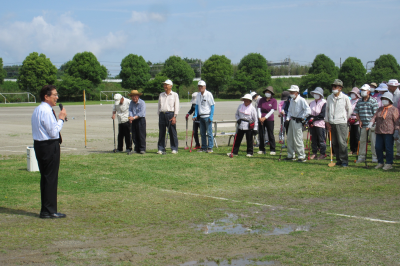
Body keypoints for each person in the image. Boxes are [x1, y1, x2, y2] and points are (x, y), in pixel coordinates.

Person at [31, 85, 67, 219]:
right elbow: (53, 132)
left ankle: (46, 209)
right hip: (49, 145)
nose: (57, 97)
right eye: (54, 95)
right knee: (50, 178)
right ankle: (50, 210)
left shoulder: (37, 110)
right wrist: (61, 119)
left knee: (46, 177)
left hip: (40, 145)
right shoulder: (46, 111)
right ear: (46, 97)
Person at [368, 92, 399, 170]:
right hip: (379, 131)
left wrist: (396, 131)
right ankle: (380, 162)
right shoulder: (380, 108)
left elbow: (396, 121)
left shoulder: (394, 109)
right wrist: (370, 124)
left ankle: (389, 163)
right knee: (378, 147)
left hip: (389, 131)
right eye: (383, 99)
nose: (384, 101)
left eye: (386, 99)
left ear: (390, 100)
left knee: (388, 148)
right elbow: (374, 117)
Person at [325, 79, 352, 167]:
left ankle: (344, 160)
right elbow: (327, 110)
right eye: (333, 86)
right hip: (332, 122)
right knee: (334, 142)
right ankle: (338, 160)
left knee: (342, 142)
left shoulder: (345, 98)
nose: (333, 88)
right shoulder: (329, 97)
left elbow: (349, 110)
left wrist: (344, 119)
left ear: (340, 88)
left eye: (335, 86)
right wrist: (327, 121)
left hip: (341, 122)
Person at [284, 85, 311, 162]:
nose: (290, 93)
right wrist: (287, 119)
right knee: (290, 138)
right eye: (290, 92)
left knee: (298, 139)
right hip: (292, 120)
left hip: (298, 121)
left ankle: (301, 156)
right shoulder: (291, 100)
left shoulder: (302, 100)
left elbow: (308, 111)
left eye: (292, 92)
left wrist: (302, 117)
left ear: (297, 92)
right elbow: (289, 111)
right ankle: (290, 155)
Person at [354, 84, 379, 163]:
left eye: (364, 90)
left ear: (368, 91)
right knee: (362, 141)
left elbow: (375, 114)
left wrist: (370, 124)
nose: (362, 92)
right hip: (362, 125)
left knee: (373, 142)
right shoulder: (359, 101)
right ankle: (361, 157)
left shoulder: (373, 101)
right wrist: (360, 120)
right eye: (362, 90)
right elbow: (356, 112)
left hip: (372, 125)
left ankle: (375, 157)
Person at [157, 79, 180, 154]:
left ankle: (174, 148)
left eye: (166, 85)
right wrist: (159, 114)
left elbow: (176, 106)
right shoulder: (161, 95)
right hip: (162, 114)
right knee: (161, 132)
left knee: (172, 132)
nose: (165, 86)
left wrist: (175, 116)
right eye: (164, 85)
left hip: (170, 114)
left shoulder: (175, 95)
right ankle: (161, 148)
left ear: (171, 86)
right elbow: (159, 105)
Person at [193, 80, 215, 153]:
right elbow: (196, 106)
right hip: (201, 117)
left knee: (209, 133)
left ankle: (210, 147)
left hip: (207, 116)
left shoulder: (209, 94)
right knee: (202, 133)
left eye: (201, 86)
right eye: (199, 86)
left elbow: (212, 106)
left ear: (205, 87)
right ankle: (203, 147)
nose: (200, 88)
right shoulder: (198, 95)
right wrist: (195, 114)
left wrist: (211, 116)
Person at [257, 86, 277, 155]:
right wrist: (260, 117)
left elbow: (272, 110)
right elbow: (259, 109)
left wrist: (265, 117)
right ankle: (261, 149)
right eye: (266, 92)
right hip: (261, 118)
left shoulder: (274, 100)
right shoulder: (261, 100)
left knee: (270, 134)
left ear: (271, 93)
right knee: (261, 134)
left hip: (269, 119)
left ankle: (272, 149)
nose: (267, 93)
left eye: (269, 92)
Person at [308, 87, 327, 160]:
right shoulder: (311, 103)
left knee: (321, 139)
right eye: (315, 93)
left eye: (317, 94)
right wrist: (310, 120)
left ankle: (322, 153)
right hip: (313, 124)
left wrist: (313, 119)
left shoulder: (324, 103)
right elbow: (309, 113)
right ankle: (314, 153)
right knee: (314, 139)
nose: (316, 95)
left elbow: (322, 114)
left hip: (320, 123)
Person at [128, 90, 146, 154]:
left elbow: (141, 113)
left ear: (138, 96)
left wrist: (134, 117)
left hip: (140, 119)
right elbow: (130, 110)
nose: (134, 98)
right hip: (133, 119)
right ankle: (136, 148)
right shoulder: (131, 103)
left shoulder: (142, 103)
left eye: (135, 96)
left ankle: (142, 149)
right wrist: (130, 117)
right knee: (134, 134)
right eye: (132, 96)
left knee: (141, 134)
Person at [387, 79, 400, 159]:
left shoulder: (399, 94)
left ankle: (398, 153)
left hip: (397, 117)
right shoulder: (389, 94)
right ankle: (390, 152)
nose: (388, 87)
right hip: (390, 117)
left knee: (398, 135)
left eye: (389, 86)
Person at [348, 87, 361, 155]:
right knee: (351, 135)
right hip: (350, 119)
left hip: (357, 119)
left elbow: (360, 111)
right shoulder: (350, 101)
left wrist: (356, 119)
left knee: (356, 135)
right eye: (352, 93)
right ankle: (352, 149)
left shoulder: (359, 101)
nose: (352, 95)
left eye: (354, 94)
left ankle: (357, 149)